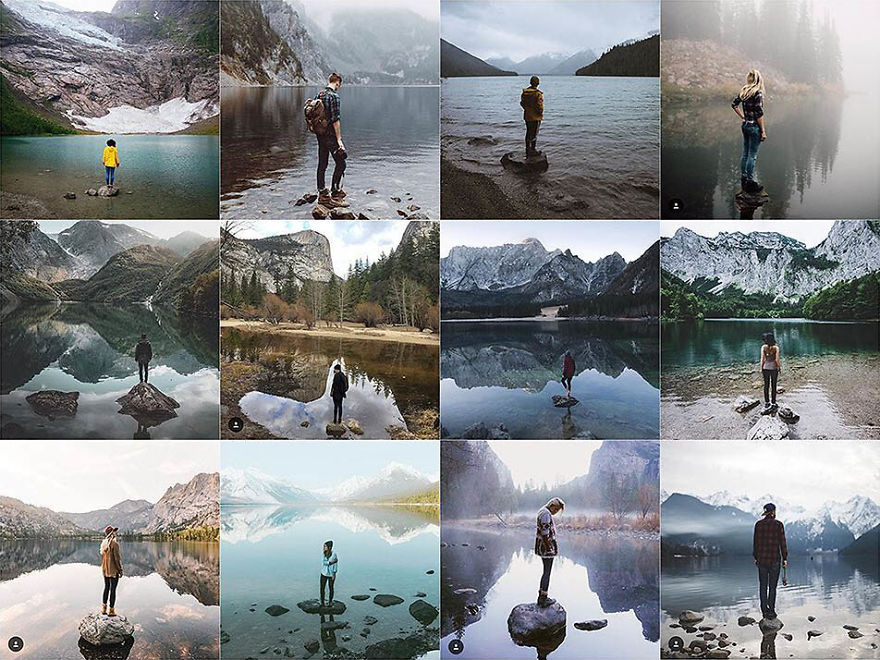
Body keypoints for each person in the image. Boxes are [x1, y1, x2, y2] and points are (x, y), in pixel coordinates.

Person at [315, 73, 348, 208]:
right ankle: (334, 192)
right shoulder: (334, 96)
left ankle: (322, 193)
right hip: (330, 135)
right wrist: (339, 140)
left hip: (320, 134)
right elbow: (335, 120)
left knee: (322, 163)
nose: (339, 87)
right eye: (339, 85)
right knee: (341, 163)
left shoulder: (320, 94)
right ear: (337, 83)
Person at [731, 69, 767, 193]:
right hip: (754, 127)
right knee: (752, 155)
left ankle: (744, 178)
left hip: (745, 126)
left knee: (745, 153)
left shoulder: (744, 91)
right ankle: (751, 183)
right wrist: (763, 131)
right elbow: (759, 113)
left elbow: (734, 105)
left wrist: (743, 117)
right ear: (758, 79)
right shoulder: (758, 93)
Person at [753, 502, 787, 620]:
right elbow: (782, 543)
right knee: (772, 587)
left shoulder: (758, 525)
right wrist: (785, 558)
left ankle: (764, 612)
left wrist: (756, 557)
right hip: (774, 561)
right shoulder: (778, 525)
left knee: (763, 586)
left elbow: (756, 543)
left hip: (762, 560)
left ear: (765, 512)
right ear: (773, 512)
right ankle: (771, 612)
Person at [535, 497, 564, 607]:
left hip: (543, 546)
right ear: (551, 505)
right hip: (546, 548)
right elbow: (545, 533)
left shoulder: (543, 511)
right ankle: (543, 598)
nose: (556, 512)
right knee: (547, 572)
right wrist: (549, 548)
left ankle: (542, 596)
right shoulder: (546, 514)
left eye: (557, 510)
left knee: (545, 572)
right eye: (556, 509)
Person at [100, 525, 123, 617]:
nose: (115, 533)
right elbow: (117, 559)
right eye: (114, 532)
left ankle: (103, 609)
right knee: (113, 590)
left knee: (106, 588)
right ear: (112, 533)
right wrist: (120, 570)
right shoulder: (114, 544)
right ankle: (111, 611)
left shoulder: (103, 544)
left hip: (105, 570)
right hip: (113, 571)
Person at [520, 76, 544, 156]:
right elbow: (539, 106)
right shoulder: (537, 94)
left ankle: (527, 149)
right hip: (535, 117)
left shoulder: (525, 93)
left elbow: (522, 103)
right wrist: (540, 113)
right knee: (534, 133)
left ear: (530, 82)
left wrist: (527, 109)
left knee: (528, 133)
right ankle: (533, 150)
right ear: (537, 83)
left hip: (527, 116)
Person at [759, 332, 781, 411]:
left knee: (766, 385)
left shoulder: (763, 347)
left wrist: (761, 367)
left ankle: (767, 402)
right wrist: (779, 367)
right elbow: (777, 359)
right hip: (774, 369)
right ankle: (773, 403)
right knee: (774, 385)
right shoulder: (776, 348)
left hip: (765, 368)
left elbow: (763, 359)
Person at [320, 540, 338, 606]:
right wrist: (331, 562)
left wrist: (334, 573)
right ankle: (322, 602)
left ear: (329, 547)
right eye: (324, 546)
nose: (324, 547)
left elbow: (336, 565)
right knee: (322, 588)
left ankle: (330, 601)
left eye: (325, 546)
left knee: (331, 588)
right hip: (323, 573)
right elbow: (324, 563)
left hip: (331, 574)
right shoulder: (323, 554)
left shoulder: (334, 554)